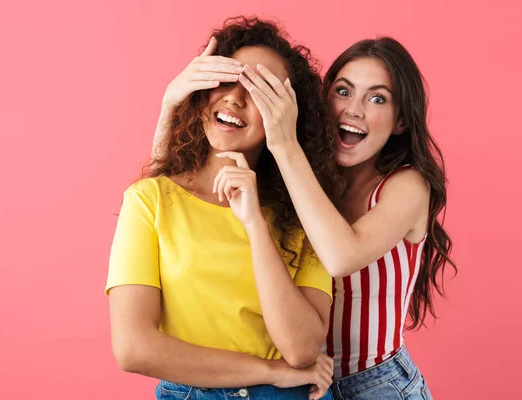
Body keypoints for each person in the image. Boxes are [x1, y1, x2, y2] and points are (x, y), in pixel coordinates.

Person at [108, 16, 339, 400]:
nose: (235, 97)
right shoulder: (149, 201)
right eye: (226, 80)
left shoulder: (305, 217)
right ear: (201, 94)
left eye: (258, 89)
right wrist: (270, 371)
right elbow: (133, 348)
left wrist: (253, 224)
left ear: (285, 118)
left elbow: (301, 349)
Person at [237, 36, 457, 399]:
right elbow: (185, 185)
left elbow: (340, 257)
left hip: (377, 385)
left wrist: (284, 144)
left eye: (377, 98)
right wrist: (171, 102)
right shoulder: (303, 176)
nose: (353, 110)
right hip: (300, 383)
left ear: (401, 120)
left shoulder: (407, 186)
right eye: (343, 91)